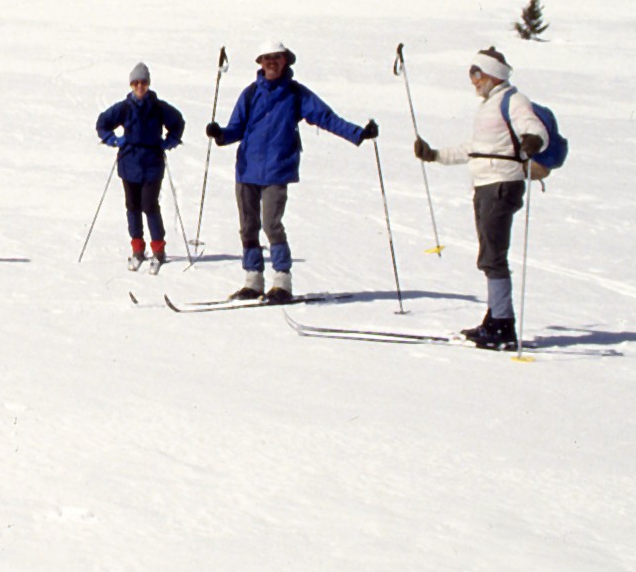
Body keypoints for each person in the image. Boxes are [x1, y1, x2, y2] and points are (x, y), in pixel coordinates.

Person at [204, 40, 378, 303]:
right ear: (260, 63)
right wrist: (220, 135)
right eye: (266, 58)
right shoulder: (250, 94)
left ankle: (282, 282)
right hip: (247, 169)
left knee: (272, 224)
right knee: (248, 227)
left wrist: (358, 133)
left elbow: (325, 117)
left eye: (276, 57)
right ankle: (253, 281)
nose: (271, 62)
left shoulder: (296, 94)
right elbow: (236, 128)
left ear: (285, 60)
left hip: (277, 168)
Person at [413, 46, 547, 350]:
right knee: (490, 253)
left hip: (502, 183)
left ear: (493, 74)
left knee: (493, 256)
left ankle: (502, 325)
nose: (473, 80)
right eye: (471, 74)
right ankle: (495, 317)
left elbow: (533, 126)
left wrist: (534, 140)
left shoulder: (513, 100)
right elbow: (471, 149)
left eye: (477, 73)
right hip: (487, 184)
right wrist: (434, 155)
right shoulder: (490, 105)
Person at [95, 62, 186, 272]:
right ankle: (137, 248)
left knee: (150, 205)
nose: (139, 87)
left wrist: (169, 141)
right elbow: (102, 123)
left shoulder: (158, 107)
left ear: (148, 84)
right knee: (132, 206)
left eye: (143, 82)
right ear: (130, 85)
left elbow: (178, 122)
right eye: (135, 83)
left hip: (152, 162)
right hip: (129, 162)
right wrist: (114, 140)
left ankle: (158, 249)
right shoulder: (124, 108)